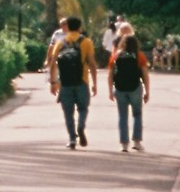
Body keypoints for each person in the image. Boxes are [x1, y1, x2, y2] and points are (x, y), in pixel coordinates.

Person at [48, 15, 97, 149]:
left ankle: (72, 139)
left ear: (67, 27)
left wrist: (53, 82)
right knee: (83, 108)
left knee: (68, 112)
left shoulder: (61, 42)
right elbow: (92, 63)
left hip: (65, 83)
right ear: (80, 27)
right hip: (82, 81)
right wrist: (95, 83)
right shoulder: (86, 42)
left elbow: (53, 64)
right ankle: (81, 126)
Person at [107, 34, 151, 152]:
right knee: (137, 114)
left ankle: (124, 144)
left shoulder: (116, 55)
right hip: (135, 88)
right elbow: (145, 75)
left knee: (122, 116)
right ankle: (136, 142)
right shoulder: (139, 56)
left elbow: (110, 74)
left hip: (120, 89)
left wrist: (110, 91)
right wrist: (147, 91)